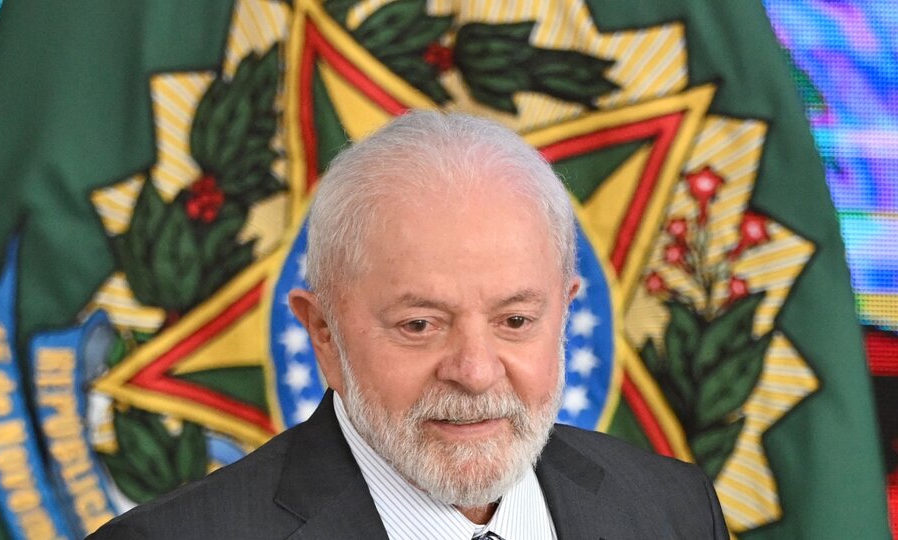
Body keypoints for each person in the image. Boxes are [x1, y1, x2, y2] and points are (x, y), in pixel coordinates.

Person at [89, 111, 728, 539]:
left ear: (564, 312)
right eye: (420, 325)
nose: (475, 372)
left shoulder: (675, 512)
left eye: (515, 320)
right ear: (323, 333)